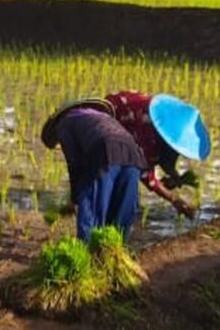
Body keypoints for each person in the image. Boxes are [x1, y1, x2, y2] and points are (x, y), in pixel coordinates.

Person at [41, 98, 148, 241]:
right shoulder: (101, 117)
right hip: (132, 154)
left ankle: (86, 253)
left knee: (91, 208)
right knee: (121, 213)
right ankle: (115, 252)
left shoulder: (64, 123)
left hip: (103, 151)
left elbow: (74, 164)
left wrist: (75, 199)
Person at [105, 91, 212, 220]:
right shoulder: (148, 129)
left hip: (126, 134)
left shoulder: (167, 122)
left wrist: (174, 176)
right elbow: (146, 175)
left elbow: (164, 159)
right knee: (123, 186)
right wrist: (175, 199)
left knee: (129, 191)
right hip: (108, 132)